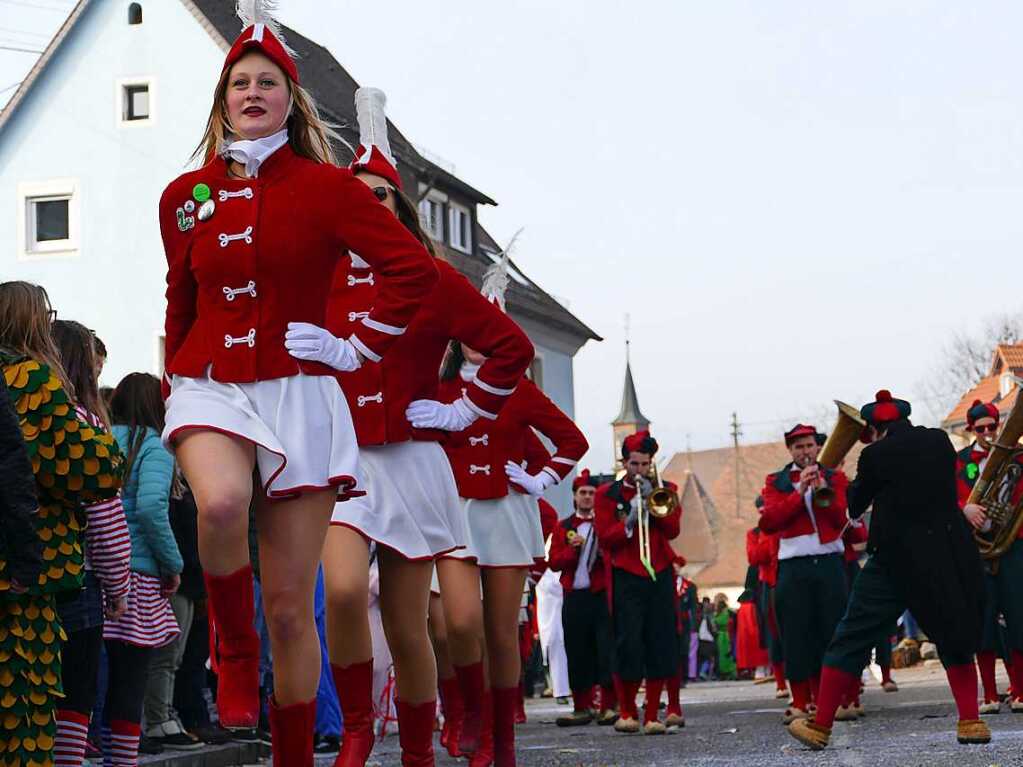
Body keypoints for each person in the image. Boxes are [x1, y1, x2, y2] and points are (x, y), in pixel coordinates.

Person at [159, 6, 438, 763]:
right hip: (210, 378)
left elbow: (411, 273)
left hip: (302, 394)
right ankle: (232, 650)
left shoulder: (327, 189)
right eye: (239, 82)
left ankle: (289, 754)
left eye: (268, 83)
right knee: (218, 501)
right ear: (223, 102)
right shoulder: (183, 195)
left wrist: (354, 346)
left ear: (291, 98)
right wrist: (171, 379)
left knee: (292, 607)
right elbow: (179, 300)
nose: (252, 92)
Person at [287, 87, 532, 767]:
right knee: (338, 591)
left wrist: (463, 409)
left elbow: (511, 347)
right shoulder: (318, 275)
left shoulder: (431, 279)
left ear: (399, 209)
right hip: (341, 462)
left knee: (407, 620)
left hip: (413, 464)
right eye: (355, 195)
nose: (366, 206)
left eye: (380, 197)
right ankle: (359, 726)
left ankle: (420, 747)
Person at [788, 390, 989, 749]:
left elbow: (855, 506)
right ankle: (971, 721)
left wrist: (834, 479)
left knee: (852, 635)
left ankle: (820, 726)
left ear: (876, 429)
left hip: (894, 559)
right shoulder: (940, 441)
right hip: (945, 552)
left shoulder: (874, 455)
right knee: (953, 632)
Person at [435, 330, 588, 766]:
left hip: (505, 514)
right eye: (470, 334)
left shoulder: (518, 389)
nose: (479, 343)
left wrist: (541, 480)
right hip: (454, 515)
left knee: (502, 635)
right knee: (460, 626)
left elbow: (572, 440)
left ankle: (499, 740)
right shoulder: (439, 385)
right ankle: (470, 714)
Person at [0, 281, 124, 767]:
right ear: (33, 320)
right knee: (25, 714)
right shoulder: (32, 379)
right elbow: (92, 469)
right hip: (29, 570)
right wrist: (105, 443)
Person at [49, 321, 135, 767]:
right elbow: (105, 517)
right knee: (74, 697)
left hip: (24, 573)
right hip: (75, 579)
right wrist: (118, 587)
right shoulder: (82, 423)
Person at [106, 373, 184, 766]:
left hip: (97, 567)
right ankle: (122, 757)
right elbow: (152, 508)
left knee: (96, 674)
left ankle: (92, 748)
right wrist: (173, 563)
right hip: (138, 573)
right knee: (132, 673)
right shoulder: (154, 447)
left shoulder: (101, 437)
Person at [759, 424, 849, 724]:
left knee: (832, 630)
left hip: (829, 562)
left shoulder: (835, 477)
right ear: (790, 451)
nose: (805, 452)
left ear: (817, 447)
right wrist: (799, 492)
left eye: (809, 446)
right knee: (796, 634)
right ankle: (800, 700)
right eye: (799, 447)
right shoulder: (777, 481)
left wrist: (823, 486)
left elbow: (841, 519)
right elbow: (770, 522)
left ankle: (835, 699)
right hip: (794, 565)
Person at [594, 431, 682, 735]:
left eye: (645, 464)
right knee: (628, 642)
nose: (640, 470)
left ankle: (653, 714)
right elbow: (605, 539)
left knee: (660, 641)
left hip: (658, 572)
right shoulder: (606, 494)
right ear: (624, 462)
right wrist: (629, 518)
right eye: (634, 464)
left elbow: (673, 531)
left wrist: (651, 501)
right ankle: (628, 710)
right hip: (626, 574)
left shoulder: (666, 489)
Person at [956, 399, 1023, 714]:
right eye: (979, 428)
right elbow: (946, 498)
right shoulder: (959, 462)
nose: (986, 433)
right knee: (983, 621)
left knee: (1018, 616)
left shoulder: (1018, 458)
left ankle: (1021, 690)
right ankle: (990, 695)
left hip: (1013, 546)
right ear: (971, 430)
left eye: (992, 427)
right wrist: (964, 509)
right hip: (975, 549)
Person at [548, 470, 617, 727]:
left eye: (591, 493)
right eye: (583, 493)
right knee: (576, 650)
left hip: (599, 594)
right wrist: (571, 550)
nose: (587, 498)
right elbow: (553, 562)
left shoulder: (604, 525)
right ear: (575, 497)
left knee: (604, 648)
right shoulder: (563, 527)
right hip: (574, 596)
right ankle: (581, 706)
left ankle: (607, 705)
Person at [145, 467, 207, 749]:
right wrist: (176, 566)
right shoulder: (171, 490)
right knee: (167, 655)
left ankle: (164, 713)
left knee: (176, 655)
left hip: (187, 579)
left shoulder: (183, 486)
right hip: (177, 579)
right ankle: (158, 717)